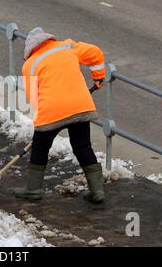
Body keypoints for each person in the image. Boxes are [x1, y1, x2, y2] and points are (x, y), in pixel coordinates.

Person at [15, 27, 106, 203]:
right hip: (80, 106)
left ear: (30, 48)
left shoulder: (30, 64)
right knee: (83, 146)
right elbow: (95, 53)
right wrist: (98, 76)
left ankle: (33, 190)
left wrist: (41, 125)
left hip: (51, 111)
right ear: (48, 39)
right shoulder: (67, 46)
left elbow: (32, 98)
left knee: (40, 147)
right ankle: (97, 191)